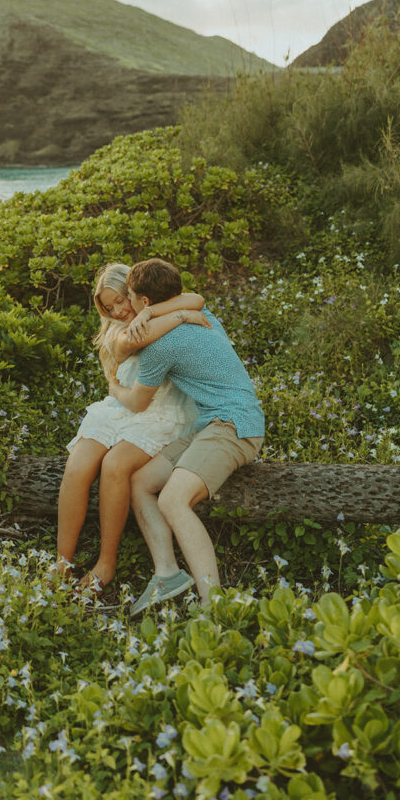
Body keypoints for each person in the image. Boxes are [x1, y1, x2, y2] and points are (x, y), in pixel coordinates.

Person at [108, 258, 264, 615]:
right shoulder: (200, 312)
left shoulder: (158, 345)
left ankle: (214, 606)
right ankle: (167, 573)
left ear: (144, 301)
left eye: (129, 296)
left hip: (234, 426)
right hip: (211, 425)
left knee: (173, 500)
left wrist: (114, 388)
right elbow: (191, 300)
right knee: (140, 482)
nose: (125, 303)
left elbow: (137, 402)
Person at [56, 262, 209, 594]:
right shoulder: (117, 331)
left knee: (115, 465)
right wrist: (181, 316)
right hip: (121, 406)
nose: (118, 311)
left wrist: (156, 312)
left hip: (161, 413)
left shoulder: (150, 310)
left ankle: (106, 563)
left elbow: (196, 299)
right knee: (78, 466)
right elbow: (135, 340)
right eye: (108, 307)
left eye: (120, 300)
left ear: (136, 294)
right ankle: (62, 563)